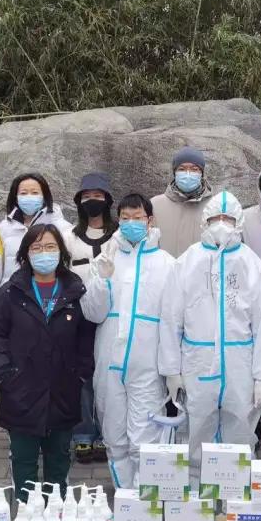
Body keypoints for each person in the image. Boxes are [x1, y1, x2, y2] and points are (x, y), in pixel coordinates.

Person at [158, 191, 261, 473]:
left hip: (240, 364)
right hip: (197, 362)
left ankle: (235, 493)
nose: (222, 224)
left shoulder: (251, 264)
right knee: (196, 430)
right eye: (216, 218)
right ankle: (198, 492)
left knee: (240, 432)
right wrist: (171, 370)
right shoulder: (188, 262)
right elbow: (170, 319)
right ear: (205, 221)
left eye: (228, 218)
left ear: (239, 222)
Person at [0, 224, 94, 497]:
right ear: (26, 254)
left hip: (63, 390)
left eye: (50, 247)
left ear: (61, 252)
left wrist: (80, 373)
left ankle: (56, 513)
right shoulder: (11, 292)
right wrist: (4, 374)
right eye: (37, 247)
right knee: (24, 462)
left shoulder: (75, 291)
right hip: (20, 392)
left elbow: (86, 338)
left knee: (59, 461)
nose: (44, 253)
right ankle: (25, 513)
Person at [81, 194, 176, 488]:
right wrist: (102, 280)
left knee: (145, 437)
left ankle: (144, 501)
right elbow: (92, 313)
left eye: (138, 218)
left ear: (150, 220)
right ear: (118, 220)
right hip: (110, 362)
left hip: (148, 365)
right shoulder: (105, 259)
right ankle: (125, 496)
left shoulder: (167, 263)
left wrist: (173, 367)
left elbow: (175, 320)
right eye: (125, 218)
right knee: (114, 436)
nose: (131, 223)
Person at [64, 173, 118, 465]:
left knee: (108, 375)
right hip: (79, 314)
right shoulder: (70, 237)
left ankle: (107, 434)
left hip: (113, 314)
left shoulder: (119, 236)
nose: (92, 201)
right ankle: (83, 432)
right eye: (86, 197)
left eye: (98, 196)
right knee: (83, 374)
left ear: (108, 200)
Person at [0, 173, 74, 284]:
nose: (29, 197)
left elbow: (68, 263)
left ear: (44, 196)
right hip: (12, 290)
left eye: (35, 193)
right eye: (23, 193)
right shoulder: (5, 226)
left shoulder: (62, 227)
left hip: (50, 289)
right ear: (16, 197)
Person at [150, 146, 214, 258]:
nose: (188, 174)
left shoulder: (214, 206)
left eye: (194, 169)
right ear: (174, 173)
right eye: (182, 169)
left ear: (202, 173)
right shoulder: (155, 205)